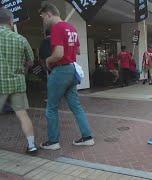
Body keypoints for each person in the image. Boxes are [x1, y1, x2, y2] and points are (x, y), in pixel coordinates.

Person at [39, 2, 94, 150]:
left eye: (43, 17)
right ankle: (87, 137)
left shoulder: (57, 27)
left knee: (51, 107)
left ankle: (53, 141)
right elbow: (77, 51)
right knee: (76, 106)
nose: (43, 21)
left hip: (60, 70)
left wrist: (48, 61)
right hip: (71, 69)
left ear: (49, 14)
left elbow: (58, 54)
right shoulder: (72, 27)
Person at [0, 7, 38, 154]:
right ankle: (31, 145)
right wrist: (22, 68)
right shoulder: (21, 39)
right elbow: (31, 62)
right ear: (10, 21)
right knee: (22, 114)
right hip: (17, 83)